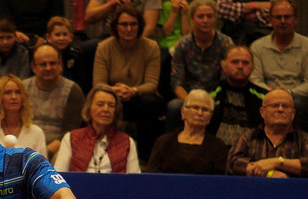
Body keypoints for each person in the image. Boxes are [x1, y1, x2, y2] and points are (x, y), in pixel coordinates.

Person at [92, 4, 164, 162]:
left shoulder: (151, 47)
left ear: (139, 26)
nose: (129, 29)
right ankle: (97, 155)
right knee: (98, 101)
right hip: (112, 97)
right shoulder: (104, 47)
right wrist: (114, 91)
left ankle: (145, 159)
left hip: (139, 97)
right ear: (116, 27)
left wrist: (132, 91)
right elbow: (98, 83)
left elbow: (152, 84)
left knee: (150, 102)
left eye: (133, 24)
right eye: (124, 24)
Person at [167, 0, 234, 131]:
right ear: (192, 18)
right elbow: (176, 82)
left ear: (215, 18)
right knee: (174, 107)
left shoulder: (225, 43)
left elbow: (227, 79)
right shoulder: (183, 45)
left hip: (217, 95)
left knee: (222, 108)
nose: (205, 20)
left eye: (209, 16)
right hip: (188, 95)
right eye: (200, 16)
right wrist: (192, 102)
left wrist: (209, 101)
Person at [53, 83, 140, 173]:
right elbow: (58, 175)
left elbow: (135, 179)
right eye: (100, 104)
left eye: (111, 105)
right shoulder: (71, 138)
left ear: (116, 111)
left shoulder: (127, 142)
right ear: (89, 108)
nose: (106, 109)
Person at [250, 0, 308, 131]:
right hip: (266, 94)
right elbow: (255, 79)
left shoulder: (306, 46)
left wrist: (288, 93)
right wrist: (273, 93)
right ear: (270, 20)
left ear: (296, 19)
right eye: (278, 17)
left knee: (298, 103)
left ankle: (298, 141)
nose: (282, 21)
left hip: (298, 97)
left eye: (287, 17)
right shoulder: (258, 46)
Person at [227, 86, 308, 177]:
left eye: (285, 106)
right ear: (262, 112)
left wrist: (276, 162)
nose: (280, 109)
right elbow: (233, 164)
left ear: (293, 114)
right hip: (255, 186)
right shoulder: (247, 137)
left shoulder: (303, 139)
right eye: (275, 106)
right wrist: (269, 173)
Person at [22, 44, 84, 159]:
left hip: (59, 147)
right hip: (26, 143)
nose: (48, 68)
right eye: (43, 64)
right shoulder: (23, 88)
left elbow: (71, 132)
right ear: (33, 67)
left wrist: (46, 152)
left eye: (52, 63)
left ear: (60, 64)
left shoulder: (73, 90)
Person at [147, 89, 228, 173]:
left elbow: (219, 179)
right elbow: (151, 176)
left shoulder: (218, 147)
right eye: (195, 108)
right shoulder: (163, 142)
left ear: (210, 117)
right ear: (183, 112)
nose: (200, 113)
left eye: (205, 109)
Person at [207, 45, 266, 147]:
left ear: (252, 67)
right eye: (235, 62)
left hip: (253, 150)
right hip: (215, 150)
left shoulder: (264, 97)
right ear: (224, 66)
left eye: (245, 63)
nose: (240, 66)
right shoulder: (210, 95)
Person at [0, 74, 47, 155]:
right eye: (8, 92)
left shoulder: (36, 132)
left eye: (18, 92)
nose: (14, 97)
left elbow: (42, 162)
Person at [45, 16, 78, 82]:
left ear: (71, 37)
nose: (61, 38)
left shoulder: (75, 54)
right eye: (57, 35)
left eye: (65, 34)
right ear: (48, 37)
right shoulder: (43, 55)